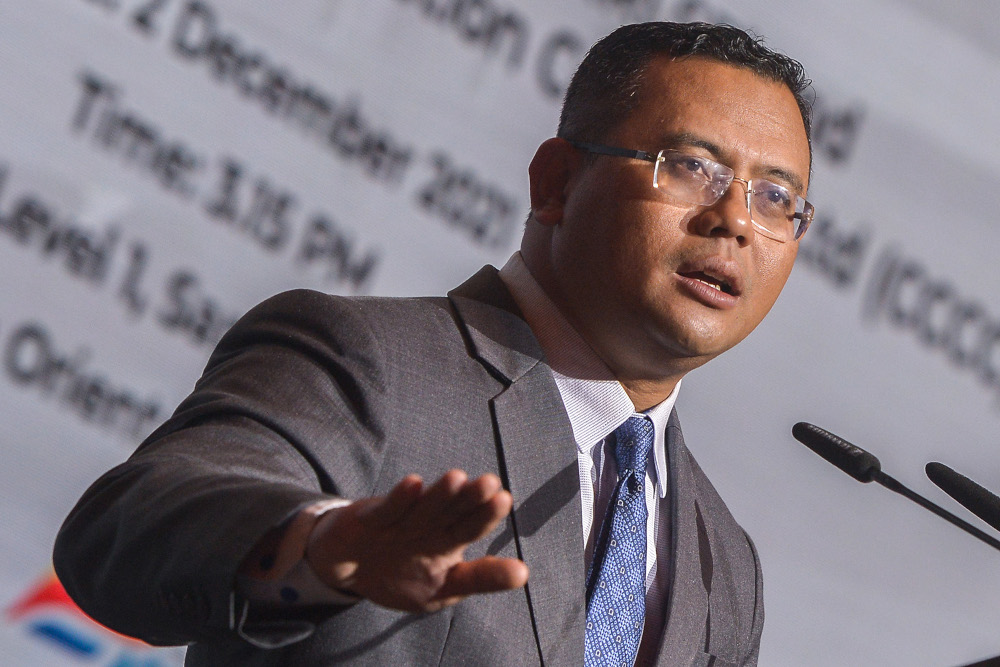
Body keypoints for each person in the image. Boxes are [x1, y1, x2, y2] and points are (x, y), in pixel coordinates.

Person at [54, 20, 814, 667]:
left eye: (776, 197)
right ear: (555, 183)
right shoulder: (367, 361)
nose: (736, 220)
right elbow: (129, 525)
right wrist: (323, 549)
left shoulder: (725, 563)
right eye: (692, 167)